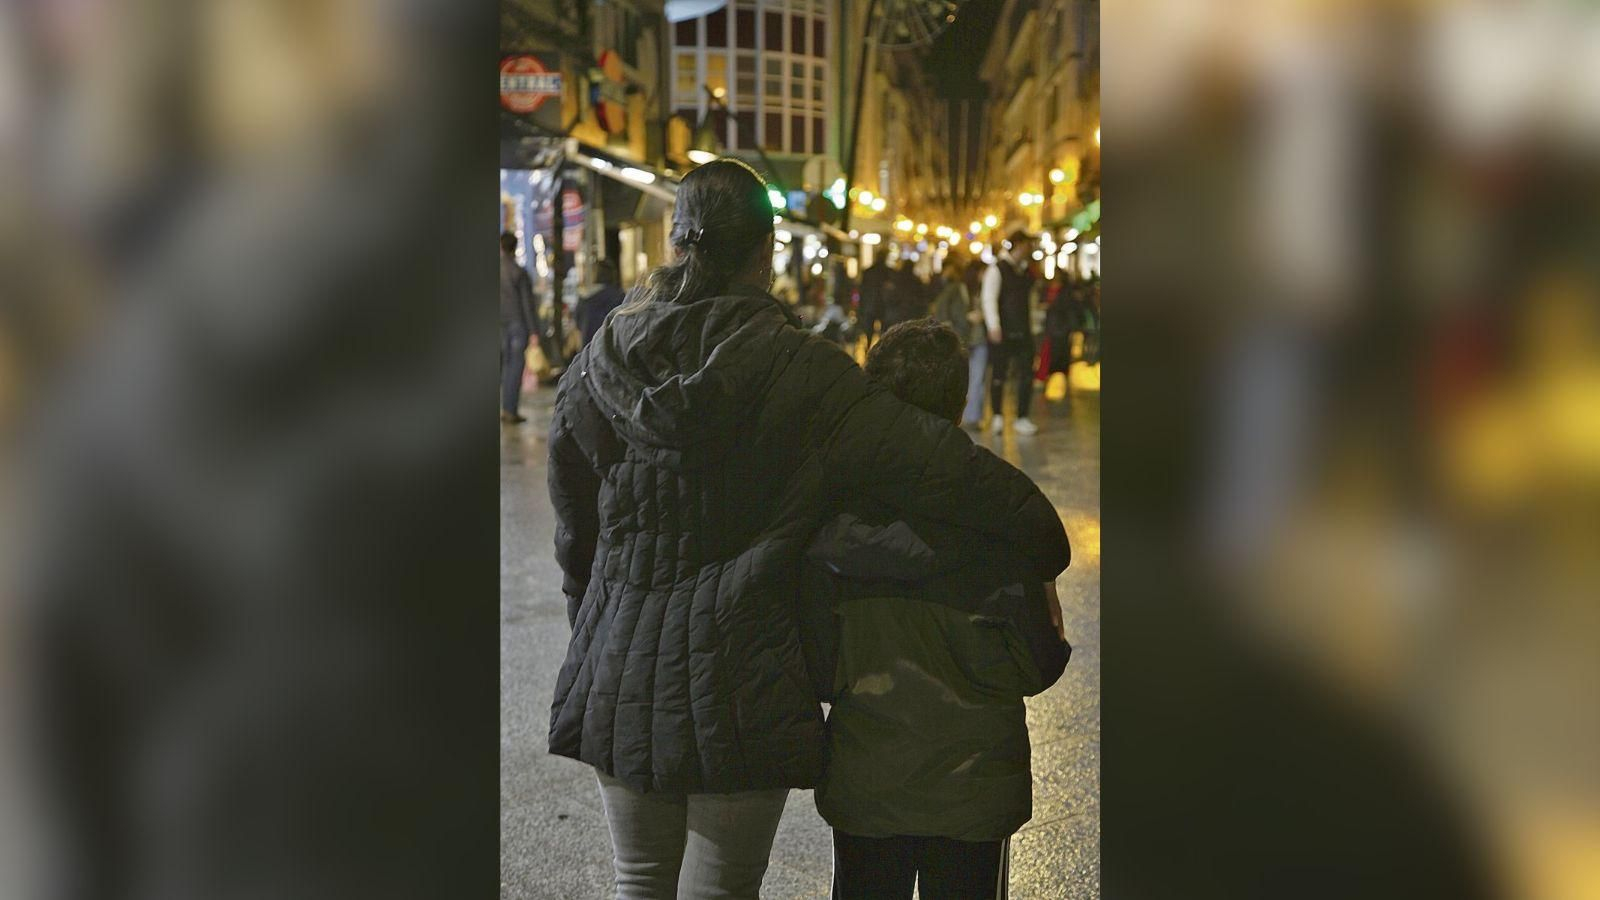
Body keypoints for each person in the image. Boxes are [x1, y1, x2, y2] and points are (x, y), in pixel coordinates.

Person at [546, 159, 1070, 899]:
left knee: (639, 881)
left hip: (618, 663)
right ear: (765, 253)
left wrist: (595, 622)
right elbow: (942, 466)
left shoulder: (596, 367)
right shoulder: (809, 373)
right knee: (722, 888)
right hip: (740, 677)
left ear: (676, 242)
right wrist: (1039, 543)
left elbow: (575, 536)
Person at [803, 319, 1071, 899]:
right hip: (974, 787)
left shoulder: (835, 519)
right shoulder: (1005, 521)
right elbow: (1040, 662)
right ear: (957, 401)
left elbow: (815, 662)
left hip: (867, 779)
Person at [982, 230, 1040, 435]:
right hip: (1003, 331)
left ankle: (1022, 417)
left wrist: (1034, 327)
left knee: (1026, 374)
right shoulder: (997, 269)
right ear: (1018, 244)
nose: (1030, 248)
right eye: (1027, 244)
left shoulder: (1025, 271)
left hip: (1023, 330)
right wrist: (994, 326)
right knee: (999, 373)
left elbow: (1030, 302)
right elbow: (989, 298)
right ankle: (997, 415)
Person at [931, 259, 989, 428]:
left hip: (980, 339)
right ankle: (958, 415)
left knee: (978, 379)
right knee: (960, 378)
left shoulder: (984, 290)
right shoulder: (957, 289)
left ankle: (972, 417)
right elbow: (941, 310)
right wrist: (965, 319)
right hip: (963, 338)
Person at [500, 231, 538, 424]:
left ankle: (505, 408)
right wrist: (533, 331)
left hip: (501, 325)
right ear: (515, 247)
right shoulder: (519, 272)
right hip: (517, 325)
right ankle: (510, 410)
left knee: (505, 367)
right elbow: (527, 305)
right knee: (515, 368)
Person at [575, 259, 627, 347]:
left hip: (589, 349)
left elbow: (578, 327)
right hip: (612, 348)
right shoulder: (619, 296)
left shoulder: (584, 297)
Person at [858, 254, 893, 346]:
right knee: (884, 329)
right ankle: (882, 348)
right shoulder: (887, 272)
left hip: (869, 304)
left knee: (869, 329)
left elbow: (862, 290)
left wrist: (861, 305)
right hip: (883, 304)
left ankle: (868, 347)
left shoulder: (868, 272)